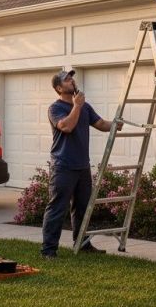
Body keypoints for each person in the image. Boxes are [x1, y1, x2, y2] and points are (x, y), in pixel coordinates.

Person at [40, 69, 121, 258]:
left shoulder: (85, 107)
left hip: (82, 165)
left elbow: (101, 124)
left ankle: (82, 244)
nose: (71, 81)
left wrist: (117, 124)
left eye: (71, 78)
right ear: (59, 88)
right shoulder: (56, 108)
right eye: (67, 80)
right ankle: (48, 250)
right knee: (57, 208)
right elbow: (66, 127)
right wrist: (77, 106)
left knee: (82, 208)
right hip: (63, 165)